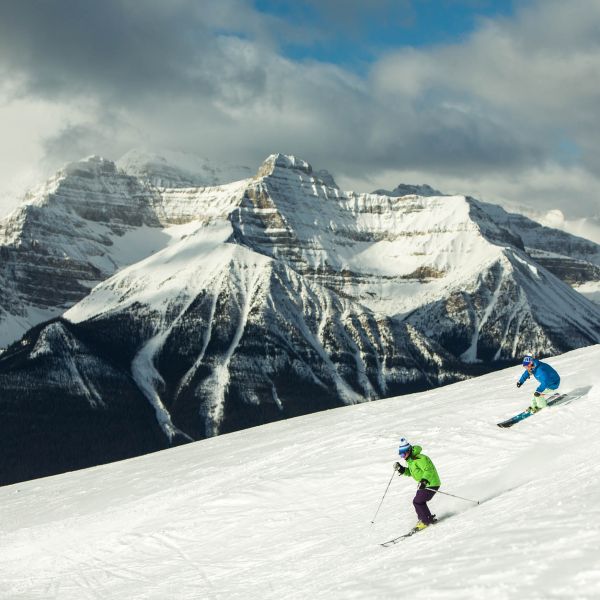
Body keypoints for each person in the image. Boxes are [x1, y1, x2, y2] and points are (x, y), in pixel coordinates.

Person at [394, 437, 441, 531]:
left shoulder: (420, 458)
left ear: (409, 451)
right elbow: (412, 473)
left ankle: (425, 521)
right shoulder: (411, 461)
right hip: (425, 484)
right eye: (401, 455)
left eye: (403, 454)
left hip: (431, 483)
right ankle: (427, 518)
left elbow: (429, 470)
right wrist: (402, 469)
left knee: (418, 501)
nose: (403, 456)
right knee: (419, 501)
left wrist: (424, 481)